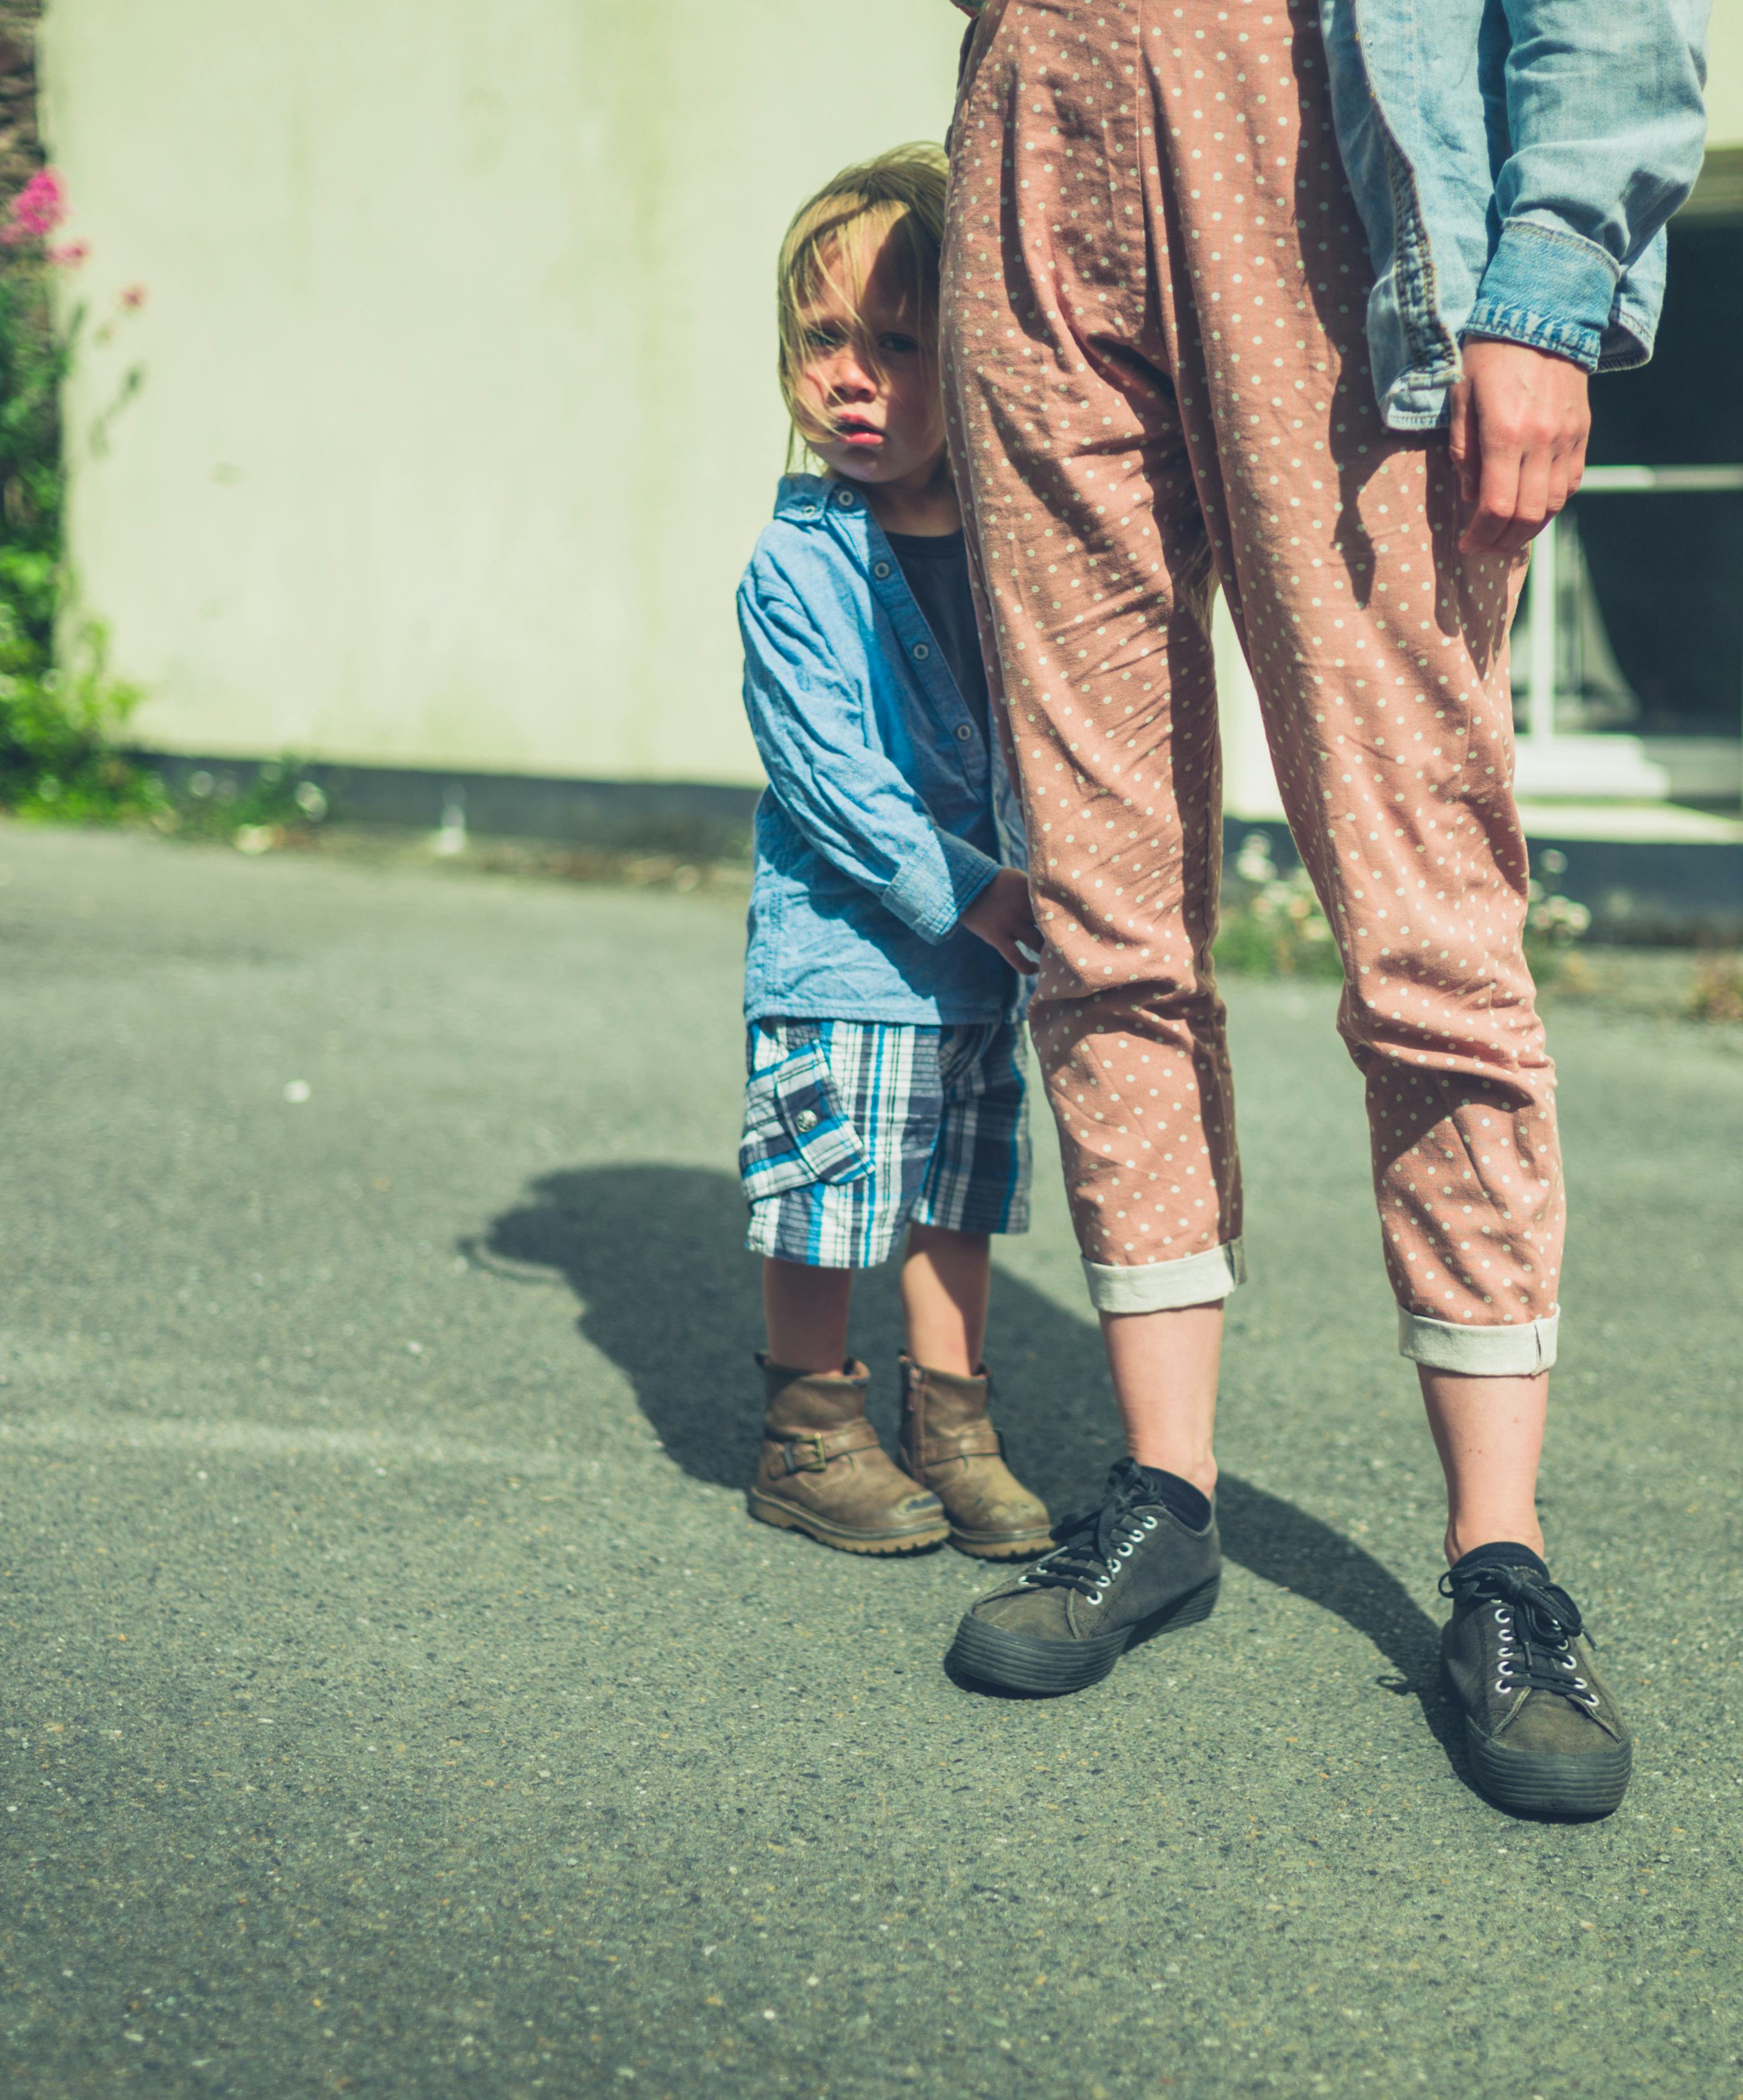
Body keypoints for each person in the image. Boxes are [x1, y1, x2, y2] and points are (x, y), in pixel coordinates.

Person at [935, 0, 1709, 1820]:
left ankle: (1501, 1567)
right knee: (1102, 894)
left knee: (1425, 911)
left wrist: (1551, 280)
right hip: (1033, 137)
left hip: (1310, 144)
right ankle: (1166, 1490)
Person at [732, 145, 1054, 1564]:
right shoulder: (792, 569)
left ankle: (954, 1423)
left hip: (979, 972)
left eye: (899, 343)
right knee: (829, 1190)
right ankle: (809, 1428)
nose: (851, 375)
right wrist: (982, 890)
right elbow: (833, 784)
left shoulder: (1012, 552)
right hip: (850, 954)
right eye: (823, 339)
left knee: (955, 1195)